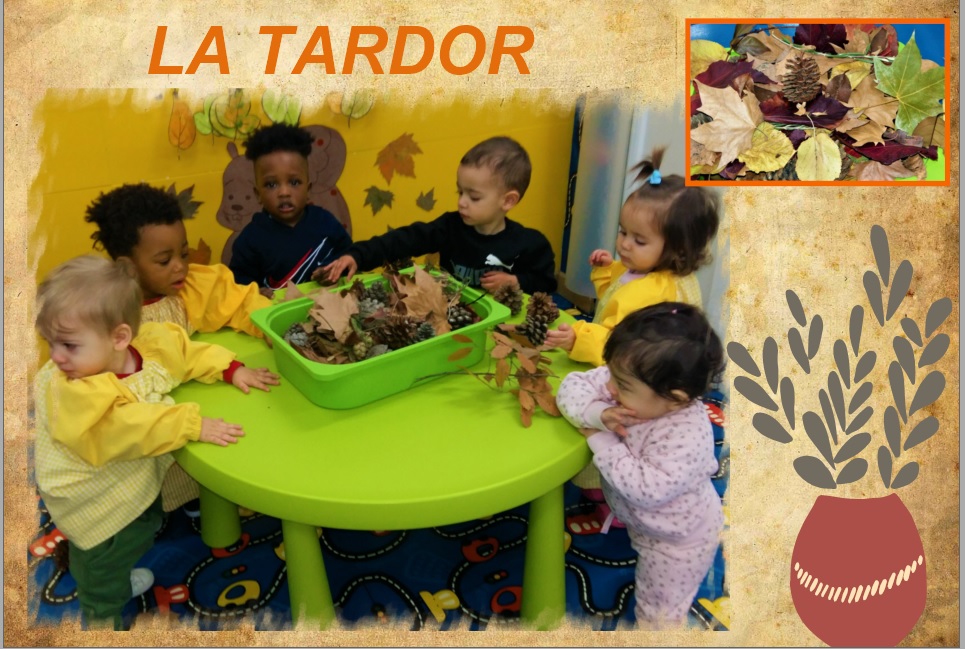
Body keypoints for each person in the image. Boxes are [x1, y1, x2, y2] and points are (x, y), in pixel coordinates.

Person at [32, 255, 279, 629]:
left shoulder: (150, 344)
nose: (55, 357)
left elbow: (185, 353)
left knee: (144, 525)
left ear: (120, 338)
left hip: (128, 485)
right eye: (51, 343)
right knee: (101, 565)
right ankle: (104, 616)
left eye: (68, 345)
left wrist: (231, 369)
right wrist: (191, 423)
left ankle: (114, 576)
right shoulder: (72, 390)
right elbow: (125, 427)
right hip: (92, 503)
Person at [544, 147, 720, 521]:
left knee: (611, 421)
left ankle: (601, 492)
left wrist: (579, 339)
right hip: (651, 374)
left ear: (677, 249)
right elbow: (618, 291)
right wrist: (607, 270)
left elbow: (622, 347)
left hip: (639, 382)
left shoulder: (651, 293)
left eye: (638, 241)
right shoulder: (662, 275)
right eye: (623, 232)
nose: (624, 244)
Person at [85, 182, 276, 515]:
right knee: (147, 480)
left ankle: (205, 495)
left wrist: (271, 327)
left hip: (195, 392)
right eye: (164, 260)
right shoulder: (106, 314)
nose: (180, 266)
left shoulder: (190, 287)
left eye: (184, 254)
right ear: (127, 267)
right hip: (145, 417)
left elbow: (238, 301)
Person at [555, 302, 725, 629]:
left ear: (674, 399)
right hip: (643, 522)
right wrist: (596, 414)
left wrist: (600, 438)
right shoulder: (633, 376)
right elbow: (573, 385)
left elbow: (646, 489)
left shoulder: (686, 434)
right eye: (612, 374)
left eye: (622, 386)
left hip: (677, 540)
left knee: (659, 610)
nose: (609, 388)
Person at [318, 136, 557, 295]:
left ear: (508, 200)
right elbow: (402, 240)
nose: (461, 202)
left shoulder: (530, 244)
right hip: (452, 322)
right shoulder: (450, 227)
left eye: (474, 197)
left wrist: (516, 282)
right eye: (460, 192)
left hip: (503, 331)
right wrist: (357, 256)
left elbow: (546, 285)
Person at [229, 123, 353, 297]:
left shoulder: (326, 222)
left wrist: (332, 269)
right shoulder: (249, 242)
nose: (284, 193)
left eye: (294, 182)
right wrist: (255, 293)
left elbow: (349, 256)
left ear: (308, 189)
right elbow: (237, 286)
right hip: (280, 312)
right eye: (271, 184)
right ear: (258, 194)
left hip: (331, 305)